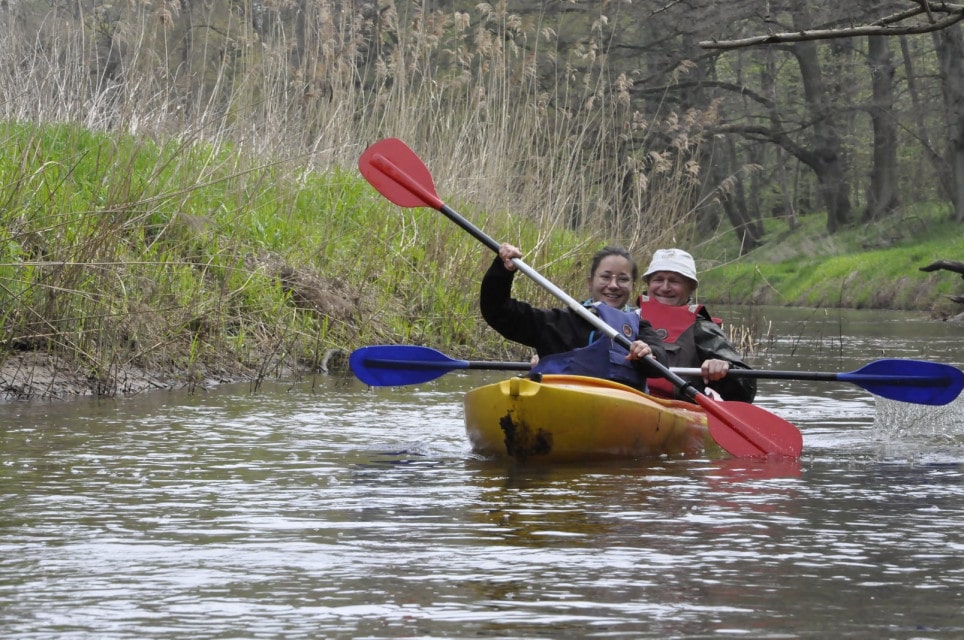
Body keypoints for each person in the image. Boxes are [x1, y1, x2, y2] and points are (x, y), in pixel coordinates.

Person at [480, 243, 669, 391]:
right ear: (590, 282)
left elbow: (659, 363)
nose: (613, 285)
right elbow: (497, 311)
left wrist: (648, 353)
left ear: (632, 285)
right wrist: (502, 270)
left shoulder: (639, 328)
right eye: (605, 277)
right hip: (560, 411)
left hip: (618, 416)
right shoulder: (559, 323)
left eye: (623, 279)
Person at [636, 248, 756, 402]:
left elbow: (747, 391)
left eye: (674, 281)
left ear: (690, 287)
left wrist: (724, 369)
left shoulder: (702, 329)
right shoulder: (630, 318)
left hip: (678, 410)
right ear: (648, 283)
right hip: (628, 399)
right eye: (658, 280)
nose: (665, 288)